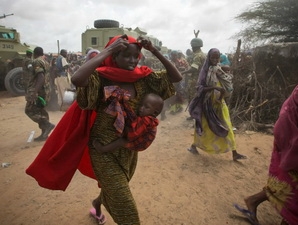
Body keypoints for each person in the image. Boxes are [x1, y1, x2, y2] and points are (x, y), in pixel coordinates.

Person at [25, 34, 181, 225]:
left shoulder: (144, 78)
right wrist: (107, 50)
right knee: (124, 202)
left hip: (128, 149)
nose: (133, 61)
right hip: (102, 149)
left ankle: (97, 204)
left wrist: (155, 50)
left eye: (136, 56)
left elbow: (176, 77)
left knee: (116, 187)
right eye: (126, 56)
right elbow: (77, 79)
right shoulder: (101, 79)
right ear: (115, 56)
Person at [234, 84, 298, 225]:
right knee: (292, 184)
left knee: (288, 182)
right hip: (290, 138)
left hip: (290, 137)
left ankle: (254, 200)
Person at [187, 48, 246, 161]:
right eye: (212, 57)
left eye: (217, 57)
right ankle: (194, 146)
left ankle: (235, 153)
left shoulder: (218, 69)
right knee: (204, 127)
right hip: (207, 105)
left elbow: (226, 82)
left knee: (227, 126)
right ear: (208, 57)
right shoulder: (205, 71)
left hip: (220, 103)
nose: (214, 59)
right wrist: (214, 87)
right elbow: (199, 88)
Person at [93, 91, 164, 153]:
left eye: (146, 107)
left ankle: (102, 149)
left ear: (155, 113)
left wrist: (124, 129)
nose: (141, 108)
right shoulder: (147, 118)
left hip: (139, 143)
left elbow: (131, 136)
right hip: (139, 139)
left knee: (121, 141)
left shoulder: (147, 120)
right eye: (141, 105)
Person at [24, 47, 55, 141]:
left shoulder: (36, 62)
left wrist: (35, 92)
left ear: (34, 53)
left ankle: (47, 125)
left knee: (29, 110)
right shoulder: (45, 61)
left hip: (39, 91)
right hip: (46, 90)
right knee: (42, 111)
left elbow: (40, 77)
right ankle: (44, 134)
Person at [181, 37, 206, 119]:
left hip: (195, 79)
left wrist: (183, 72)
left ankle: (195, 115)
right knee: (197, 96)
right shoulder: (202, 54)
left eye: (192, 46)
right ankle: (195, 114)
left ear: (195, 46)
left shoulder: (197, 56)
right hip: (201, 79)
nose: (191, 47)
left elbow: (194, 68)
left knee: (193, 96)